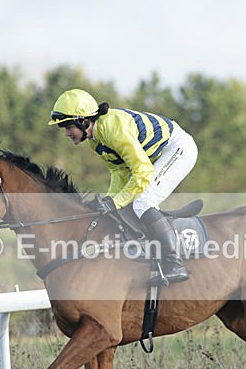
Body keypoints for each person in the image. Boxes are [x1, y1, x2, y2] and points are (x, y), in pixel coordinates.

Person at [49, 88, 198, 284]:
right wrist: (109, 200)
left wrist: (115, 202)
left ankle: (175, 264)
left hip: (178, 149)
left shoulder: (112, 129)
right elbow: (119, 171)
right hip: (157, 156)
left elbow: (142, 171)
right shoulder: (95, 139)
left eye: (68, 127)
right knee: (127, 204)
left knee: (143, 202)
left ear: (84, 121)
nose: (67, 133)